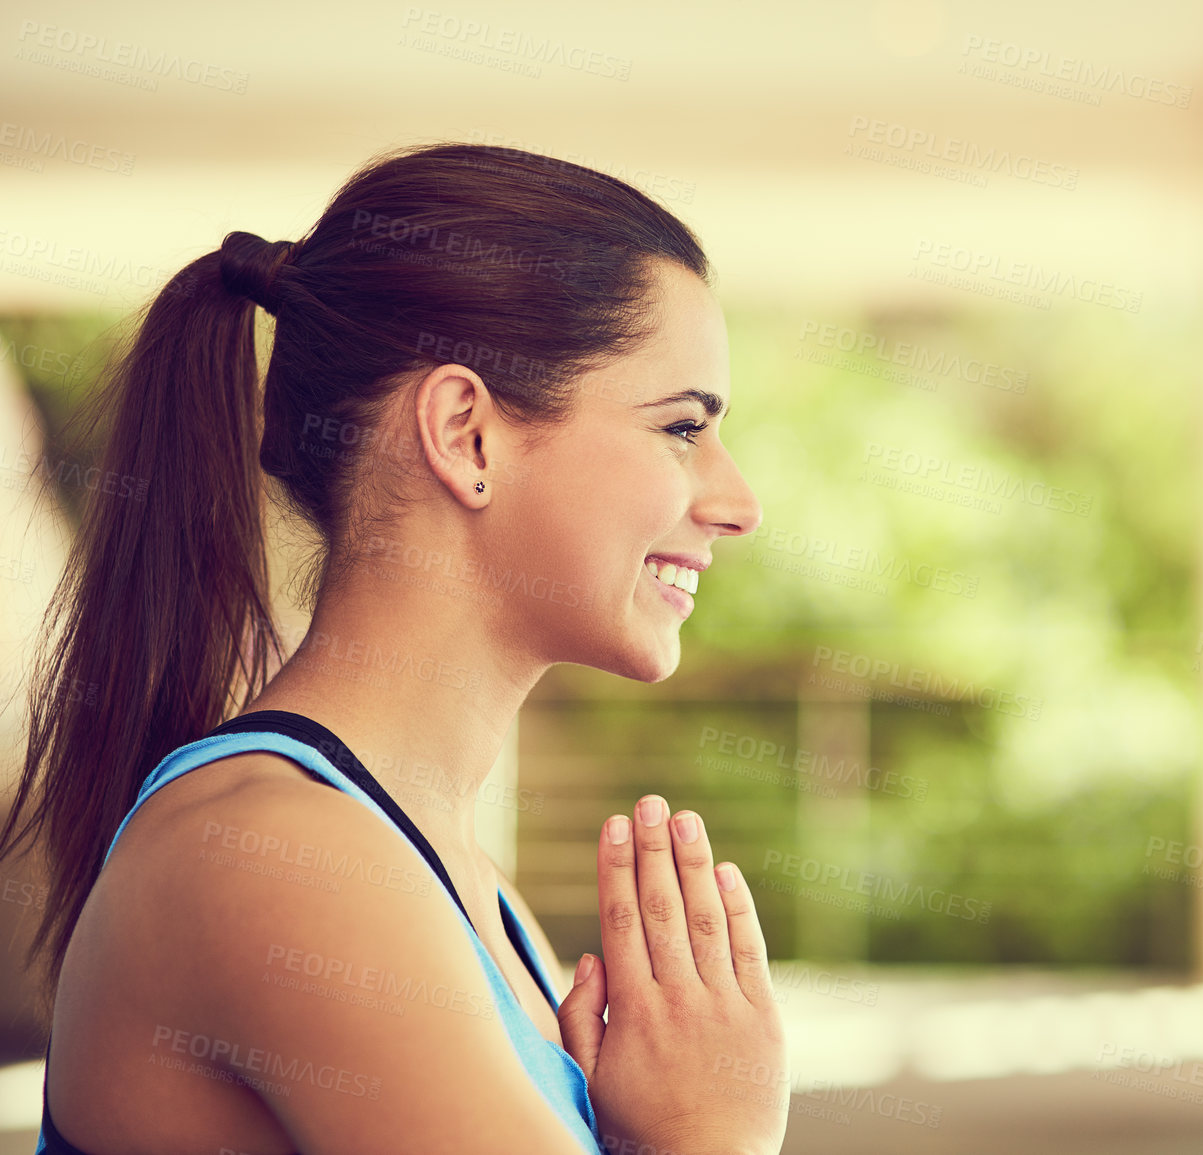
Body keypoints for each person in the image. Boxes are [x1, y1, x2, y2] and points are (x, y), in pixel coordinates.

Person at [0, 143, 787, 1154]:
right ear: (466, 434)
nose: (739, 504)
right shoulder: (293, 865)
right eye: (682, 427)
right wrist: (709, 1134)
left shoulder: (453, 880)